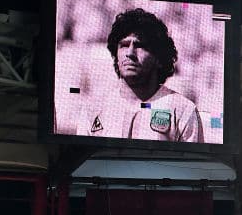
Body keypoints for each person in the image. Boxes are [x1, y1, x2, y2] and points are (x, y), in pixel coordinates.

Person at [76, 8, 203, 142]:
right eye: (124, 45)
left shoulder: (183, 111)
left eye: (140, 46)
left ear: (158, 58)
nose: (130, 53)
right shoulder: (93, 108)